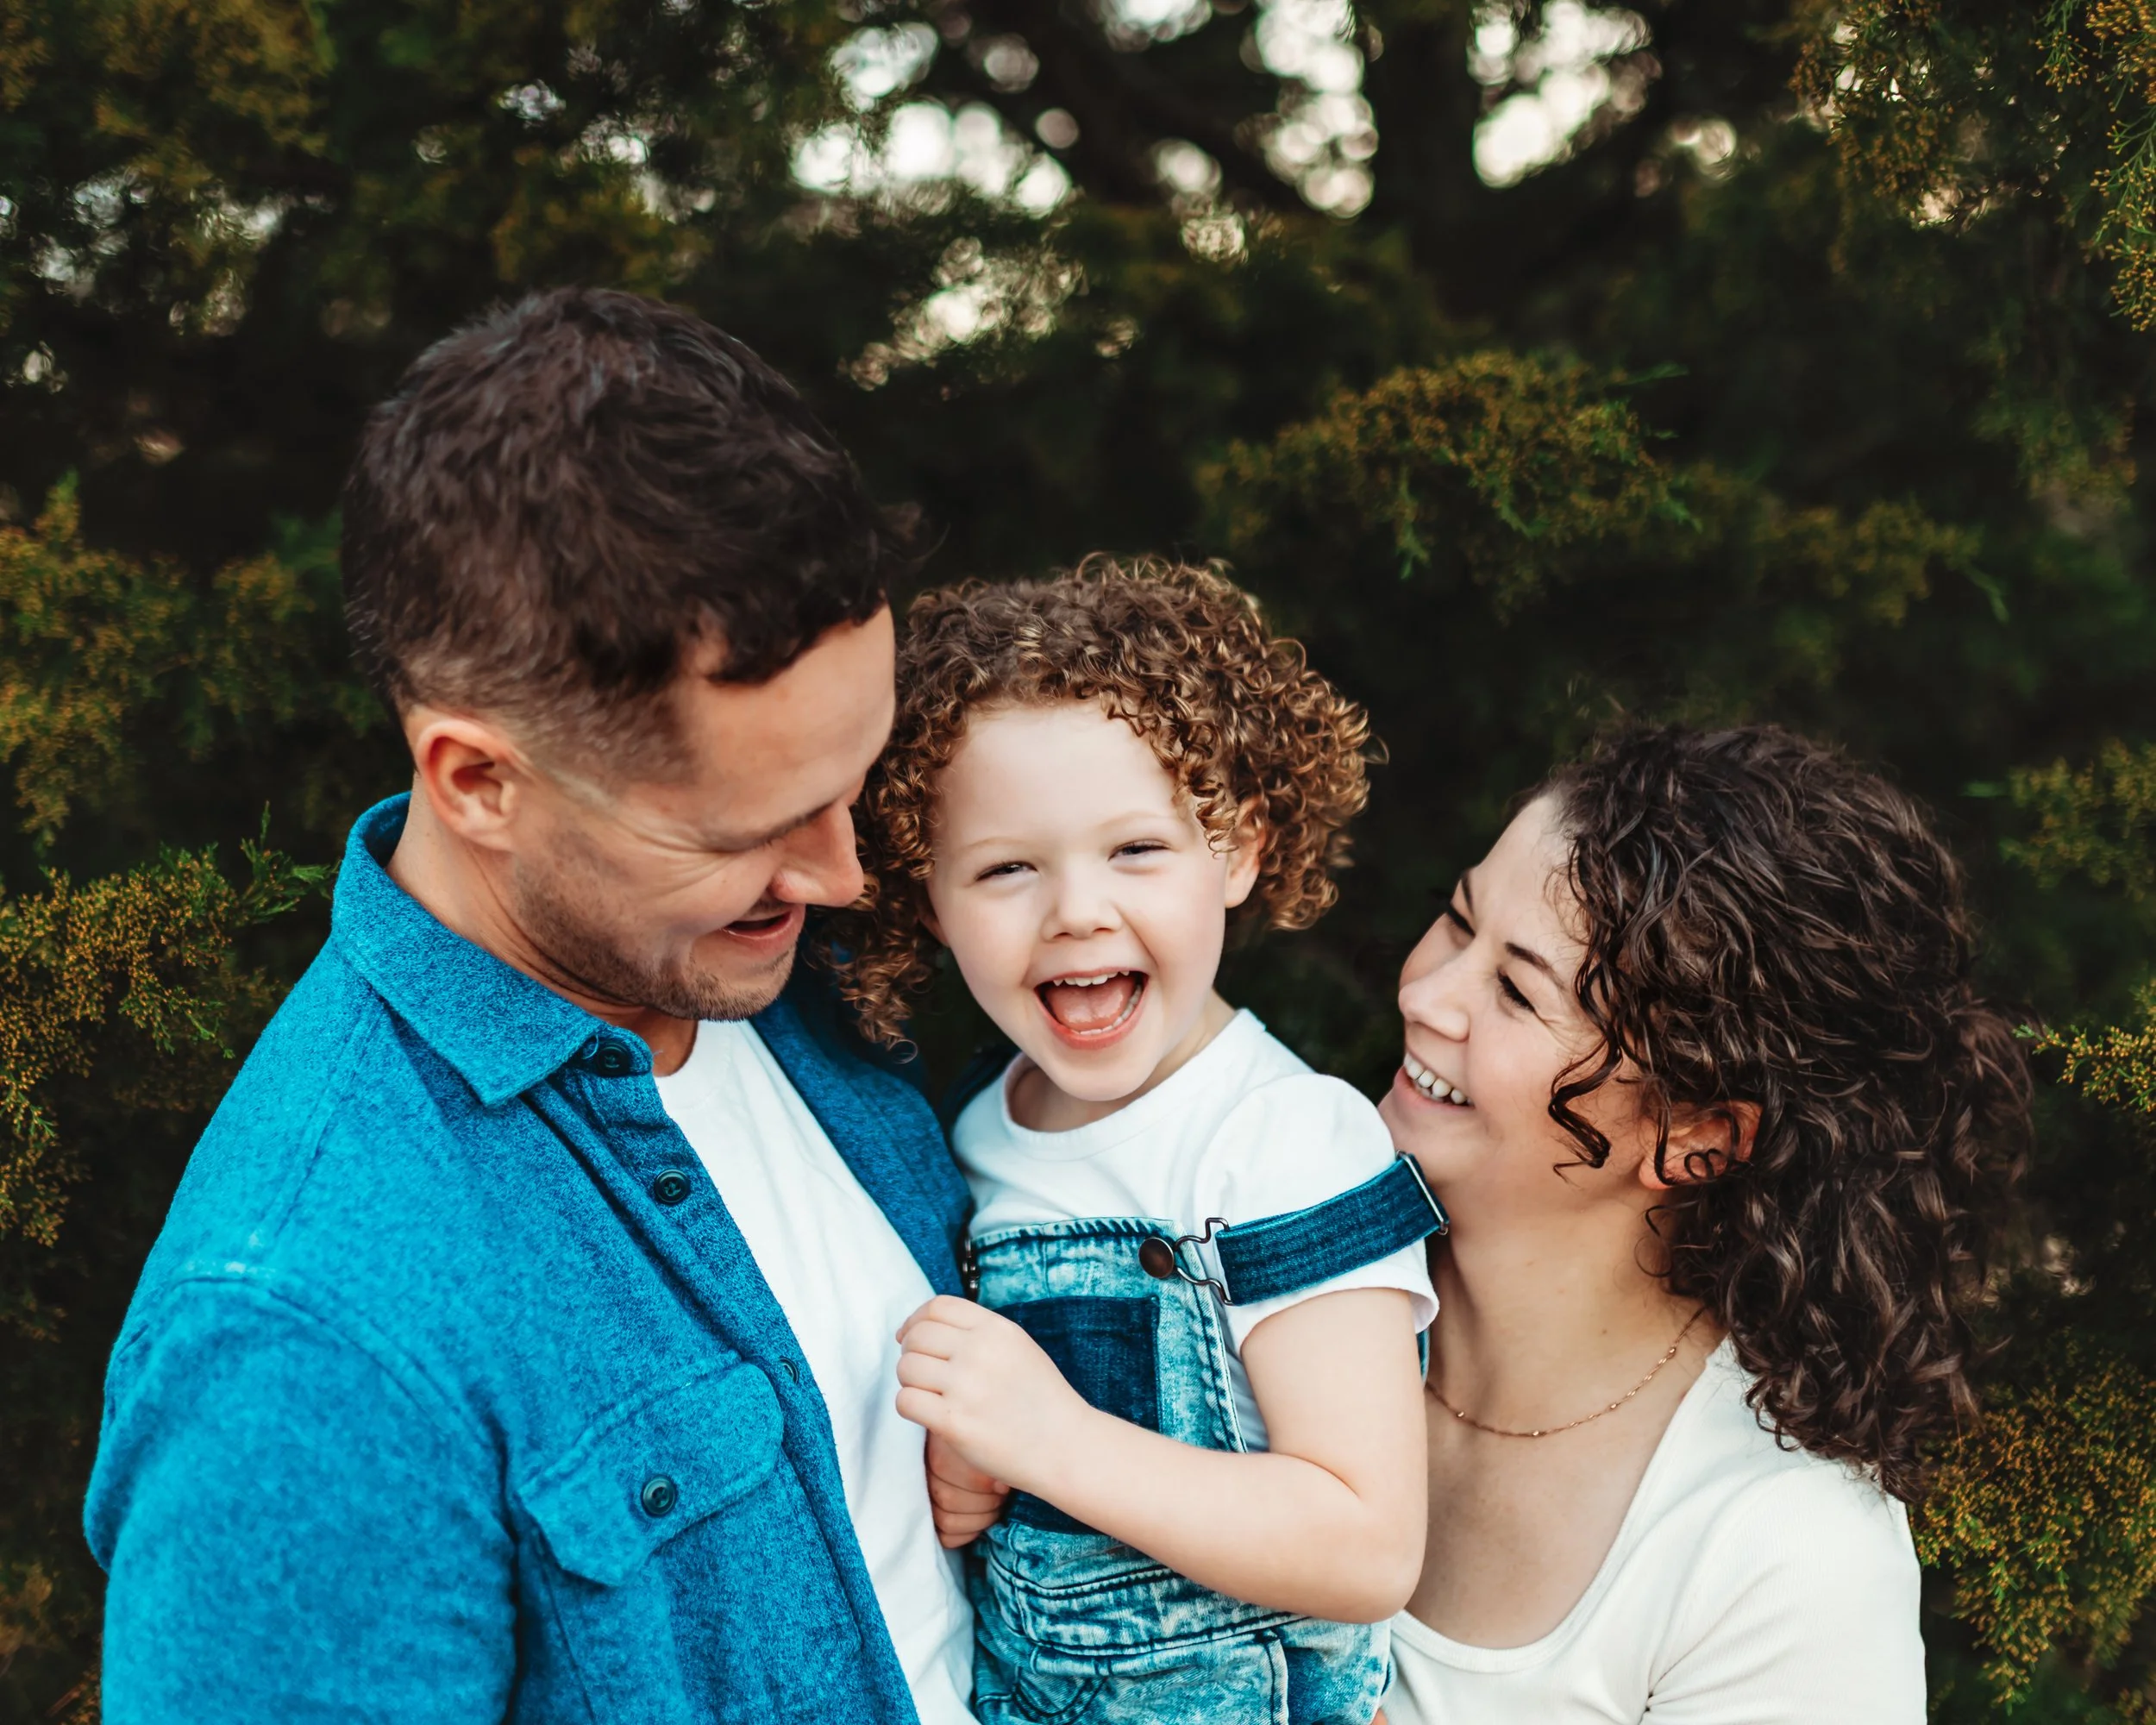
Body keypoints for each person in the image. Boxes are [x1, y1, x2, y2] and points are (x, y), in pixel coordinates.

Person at [84, 288, 979, 1722]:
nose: (847, 871)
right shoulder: (303, 1338)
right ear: (478, 783)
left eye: (851, 781)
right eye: (747, 827)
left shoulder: (792, 978)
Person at [830, 558, 1445, 1724]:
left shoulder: (1284, 1143)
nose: (1076, 908)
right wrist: (984, 1466)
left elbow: (1364, 1546)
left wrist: (1050, 1436)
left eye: (1137, 851)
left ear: (1241, 850)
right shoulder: (975, 1130)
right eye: (1007, 867)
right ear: (929, 902)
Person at [1377, 725, 2030, 1722]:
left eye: (1514, 988)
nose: (1424, 995)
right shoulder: (1252, 1267)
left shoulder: (1782, 1553)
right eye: (1457, 921)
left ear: (1695, 1133)